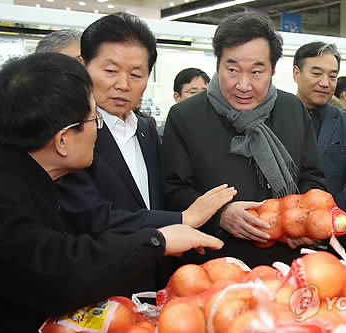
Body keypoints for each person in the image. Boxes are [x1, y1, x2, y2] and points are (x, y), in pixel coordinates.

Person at [0, 52, 229, 332]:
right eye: (94, 119)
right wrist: (157, 240)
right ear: (62, 141)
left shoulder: (8, 171)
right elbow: (59, 270)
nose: (99, 132)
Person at [57, 12, 237, 291]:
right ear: (83, 67)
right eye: (110, 71)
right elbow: (95, 217)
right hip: (101, 285)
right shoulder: (72, 133)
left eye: (136, 74)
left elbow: (154, 201)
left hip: (156, 280)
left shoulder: (146, 128)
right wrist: (182, 219)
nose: (123, 84)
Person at [160, 13, 327, 268]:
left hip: (285, 262)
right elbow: (173, 190)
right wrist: (220, 215)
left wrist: (303, 220)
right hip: (214, 262)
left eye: (257, 72)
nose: (244, 85)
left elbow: (312, 177)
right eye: (232, 70)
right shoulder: (186, 116)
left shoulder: (292, 109)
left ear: (272, 69)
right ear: (217, 65)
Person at [293, 42, 346, 210]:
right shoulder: (273, 117)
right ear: (296, 73)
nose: (325, 83)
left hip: (331, 226)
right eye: (316, 73)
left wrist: (326, 221)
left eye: (332, 76)